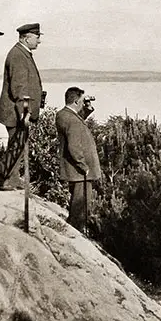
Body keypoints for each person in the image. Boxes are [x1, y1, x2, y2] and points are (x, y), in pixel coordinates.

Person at [0, 23, 45, 191]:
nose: (39, 41)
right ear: (26, 37)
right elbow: (19, 88)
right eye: (37, 37)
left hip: (19, 112)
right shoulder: (18, 55)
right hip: (17, 112)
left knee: (18, 145)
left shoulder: (22, 53)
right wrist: (26, 112)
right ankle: (3, 180)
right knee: (16, 145)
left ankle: (12, 179)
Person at [55, 87, 101, 233]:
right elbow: (74, 146)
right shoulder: (71, 120)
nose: (83, 103)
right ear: (76, 101)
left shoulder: (63, 115)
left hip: (74, 170)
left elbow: (78, 120)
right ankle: (75, 234)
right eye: (81, 101)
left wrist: (87, 108)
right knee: (80, 208)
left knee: (76, 205)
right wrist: (84, 166)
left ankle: (74, 230)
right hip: (80, 172)